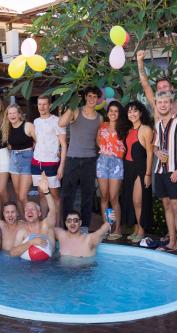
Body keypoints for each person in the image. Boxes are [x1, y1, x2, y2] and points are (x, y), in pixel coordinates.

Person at [59, 87, 103, 229]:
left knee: (88, 195)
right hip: (72, 159)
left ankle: (84, 227)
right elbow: (61, 123)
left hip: (90, 160)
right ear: (85, 97)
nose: (91, 99)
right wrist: (73, 105)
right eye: (89, 96)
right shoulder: (76, 111)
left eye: (94, 97)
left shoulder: (99, 118)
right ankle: (67, 227)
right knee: (67, 195)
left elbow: (99, 140)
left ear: (98, 99)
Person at [153, 92, 177, 254]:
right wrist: (157, 152)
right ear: (156, 104)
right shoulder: (158, 125)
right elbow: (155, 146)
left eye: (166, 102)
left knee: (176, 207)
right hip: (160, 171)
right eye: (160, 102)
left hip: (175, 171)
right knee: (167, 205)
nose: (163, 105)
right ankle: (172, 241)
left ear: (171, 104)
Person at [120, 101, 154, 242]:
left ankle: (141, 230)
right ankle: (135, 228)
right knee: (130, 201)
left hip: (141, 168)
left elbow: (150, 154)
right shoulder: (128, 130)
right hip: (128, 168)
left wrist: (148, 174)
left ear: (141, 113)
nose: (132, 114)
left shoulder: (145, 129)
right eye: (129, 111)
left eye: (135, 111)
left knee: (138, 200)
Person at [32, 95, 67, 226]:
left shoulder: (57, 121)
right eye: (39, 104)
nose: (42, 107)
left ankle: (57, 226)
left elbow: (63, 144)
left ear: (50, 105)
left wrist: (61, 166)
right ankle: (45, 225)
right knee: (41, 195)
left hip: (52, 164)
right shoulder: (35, 121)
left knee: (55, 197)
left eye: (45, 104)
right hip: (36, 163)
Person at [96, 100, 125, 240]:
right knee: (104, 196)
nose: (113, 113)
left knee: (114, 197)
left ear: (119, 113)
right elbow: (98, 142)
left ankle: (117, 229)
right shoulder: (102, 126)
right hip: (102, 161)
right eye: (111, 111)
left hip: (116, 163)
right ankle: (106, 227)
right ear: (107, 113)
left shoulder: (124, 128)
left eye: (116, 111)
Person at [10, 173, 56, 259]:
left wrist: (46, 191)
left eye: (33, 209)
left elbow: (53, 211)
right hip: (28, 268)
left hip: (49, 266)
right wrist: (30, 243)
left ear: (39, 213)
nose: (29, 211)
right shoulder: (22, 232)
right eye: (27, 210)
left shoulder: (46, 225)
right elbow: (12, 253)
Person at [1, 104, 35, 218]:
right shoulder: (7, 128)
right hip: (14, 160)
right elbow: (9, 145)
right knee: (17, 194)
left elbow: (38, 142)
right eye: (9, 113)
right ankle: (23, 219)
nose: (12, 115)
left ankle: (32, 218)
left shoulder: (28, 126)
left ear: (20, 114)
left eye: (14, 113)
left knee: (22, 196)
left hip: (27, 159)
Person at [136, 50, 177, 119]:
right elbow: (145, 84)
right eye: (159, 87)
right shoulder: (156, 105)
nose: (162, 89)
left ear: (172, 88)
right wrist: (139, 61)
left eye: (165, 86)